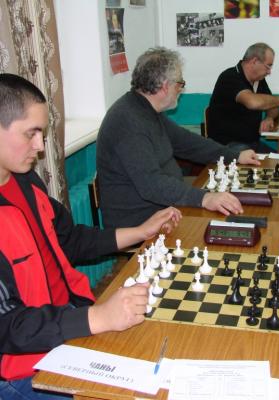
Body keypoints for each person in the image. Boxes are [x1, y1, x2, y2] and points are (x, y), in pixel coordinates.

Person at [0, 73, 181, 398]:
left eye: (42, 133)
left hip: (68, 327)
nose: (40, 147)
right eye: (31, 133)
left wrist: (141, 231)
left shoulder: (26, 182)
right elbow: (7, 326)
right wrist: (95, 318)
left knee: (165, 356)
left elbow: (70, 240)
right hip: (23, 369)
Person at [97, 47, 260, 229]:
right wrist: (205, 198)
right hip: (141, 222)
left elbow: (187, 142)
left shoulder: (147, 110)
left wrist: (234, 156)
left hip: (165, 207)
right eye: (180, 84)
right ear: (165, 86)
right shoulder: (127, 121)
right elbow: (152, 185)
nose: (180, 90)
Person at [207, 42, 279, 152]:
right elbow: (253, 102)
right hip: (227, 145)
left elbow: (273, 106)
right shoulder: (229, 77)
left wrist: (269, 118)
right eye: (268, 66)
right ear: (255, 61)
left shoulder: (259, 80)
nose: (269, 72)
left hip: (251, 143)